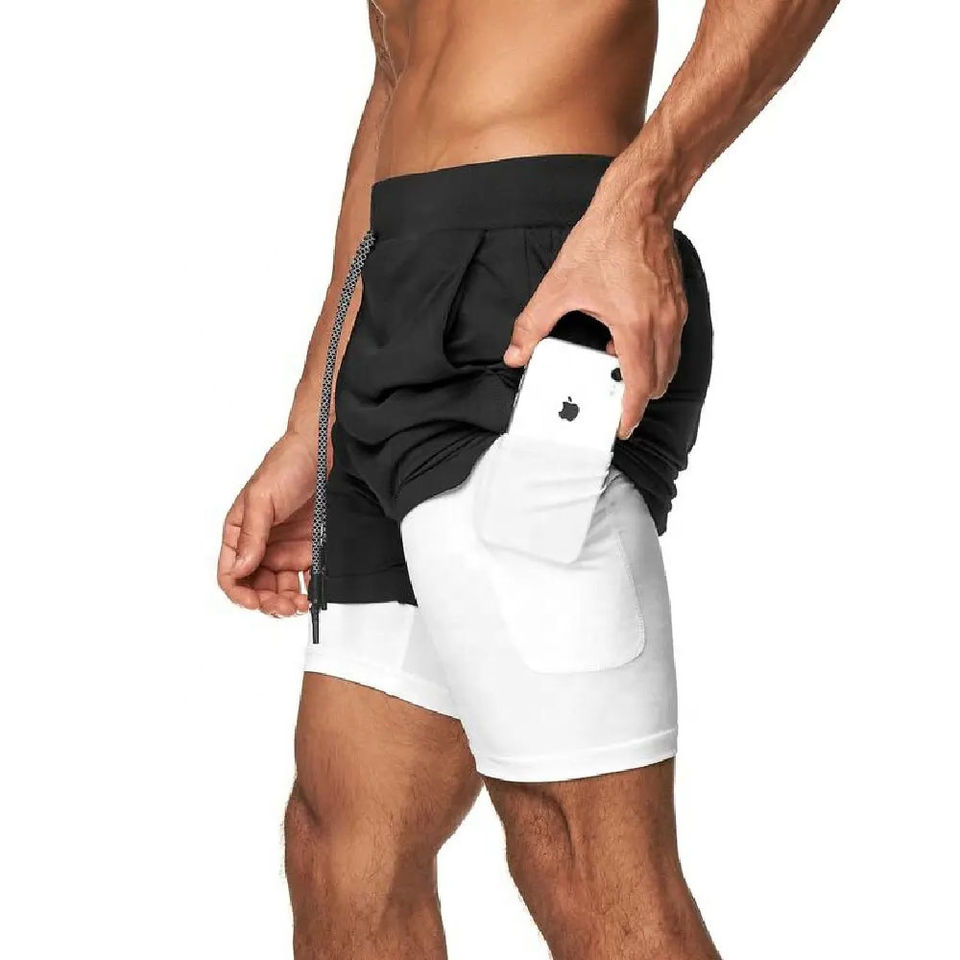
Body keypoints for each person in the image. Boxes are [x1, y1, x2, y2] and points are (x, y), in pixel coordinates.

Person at [217, 1, 839, 957]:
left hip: (541, 285)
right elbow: (396, 76)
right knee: (341, 844)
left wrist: (640, 200)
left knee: (579, 858)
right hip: (394, 303)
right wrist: (316, 416)